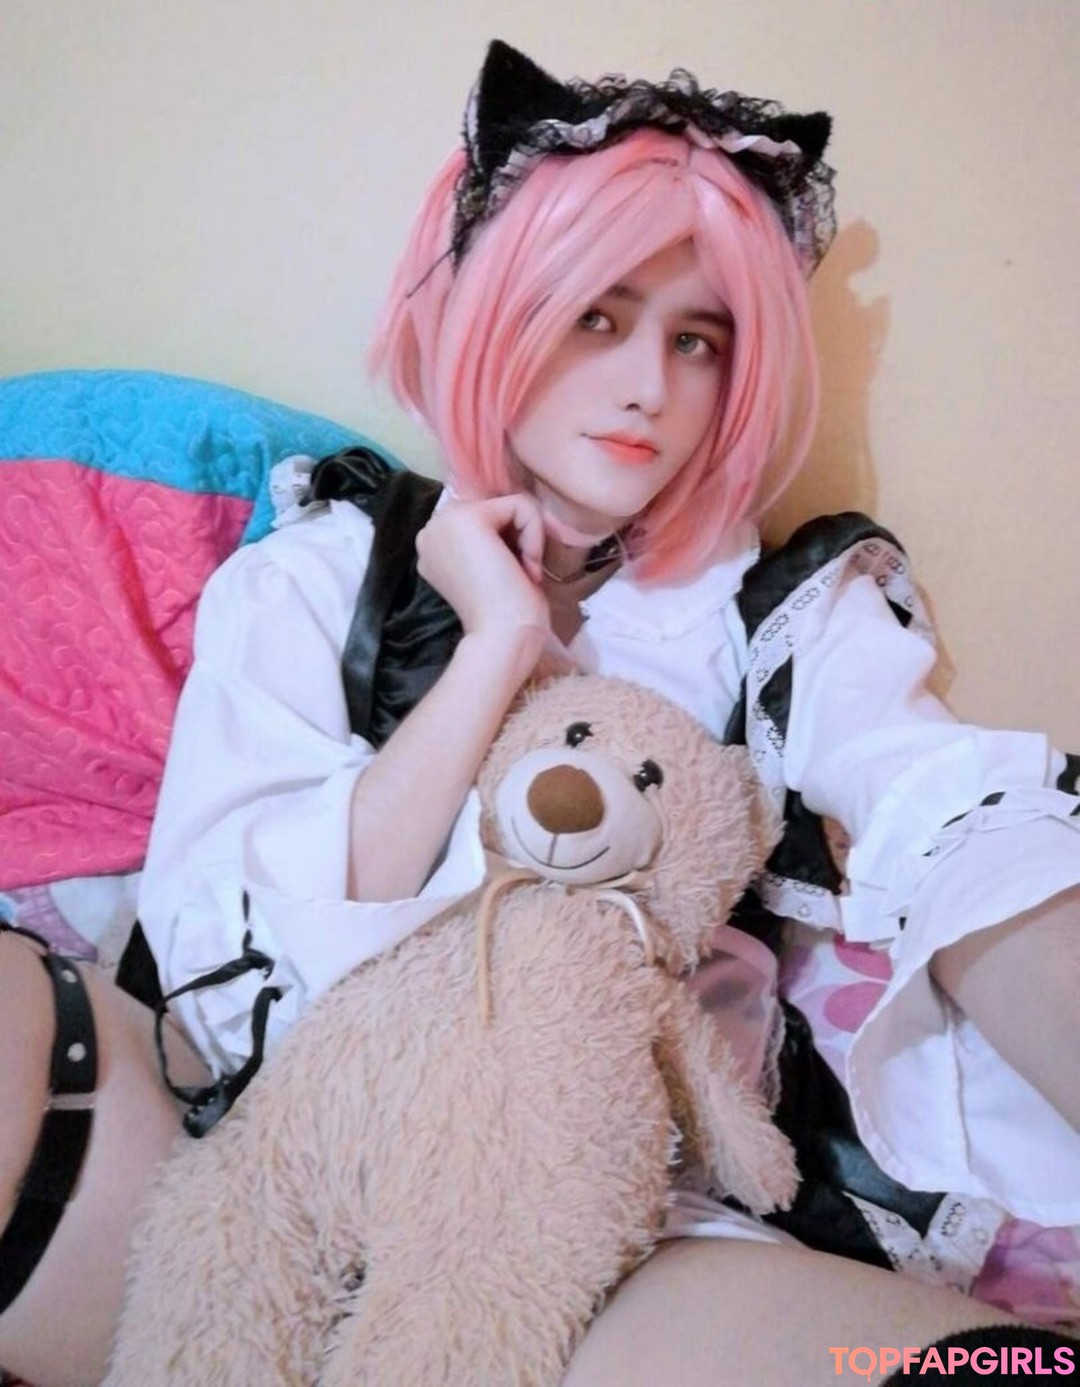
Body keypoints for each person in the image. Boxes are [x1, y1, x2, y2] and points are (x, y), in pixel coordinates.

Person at [2, 38, 1078, 1387]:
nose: (650, 388)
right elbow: (223, 984)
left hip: (604, 1217)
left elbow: (950, 808)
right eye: (598, 318)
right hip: (276, 1166)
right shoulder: (323, 572)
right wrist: (499, 644)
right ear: (499, 313)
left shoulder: (778, 612)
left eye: (698, 341)